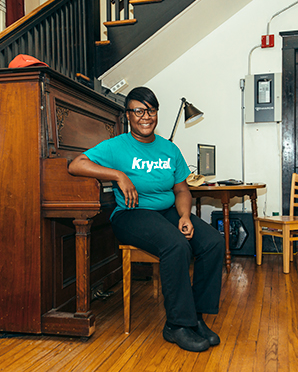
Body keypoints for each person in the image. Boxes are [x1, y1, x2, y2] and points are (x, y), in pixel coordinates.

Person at [68, 86, 224, 352]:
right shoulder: (117, 146)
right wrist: (118, 175)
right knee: (176, 245)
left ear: (156, 113)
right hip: (132, 213)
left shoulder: (169, 149)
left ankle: (195, 317)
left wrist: (185, 215)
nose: (145, 116)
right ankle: (176, 325)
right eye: (138, 110)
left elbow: (181, 189)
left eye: (150, 110)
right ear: (128, 115)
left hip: (168, 211)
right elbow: (76, 164)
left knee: (212, 241)